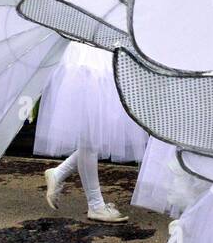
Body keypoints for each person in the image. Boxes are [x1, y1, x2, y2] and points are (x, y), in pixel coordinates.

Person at [41, 42, 146, 223]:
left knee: (93, 137)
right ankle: (95, 205)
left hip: (98, 57)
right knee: (90, 138)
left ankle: (59, 173)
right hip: (92, 61)